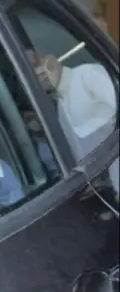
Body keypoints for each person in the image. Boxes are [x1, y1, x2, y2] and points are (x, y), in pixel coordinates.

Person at [32, 51, 118, 198]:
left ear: (50, 59)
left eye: (38, 64)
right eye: (33, 71)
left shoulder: (87, 75)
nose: (39, 73)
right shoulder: (60, 108)